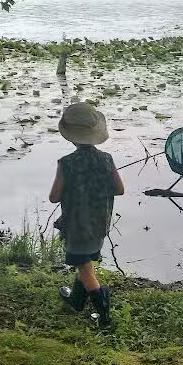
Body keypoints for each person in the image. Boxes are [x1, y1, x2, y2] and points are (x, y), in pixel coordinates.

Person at [48, 102, 125, 327]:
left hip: (76, 227)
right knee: (85, 264)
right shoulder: (107, 159)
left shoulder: (66, 163)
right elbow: (119, 189)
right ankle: (76, 300)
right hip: (100, 224)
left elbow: (54, 197)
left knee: (85, 269)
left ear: (71, 137)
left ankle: (104, 316)